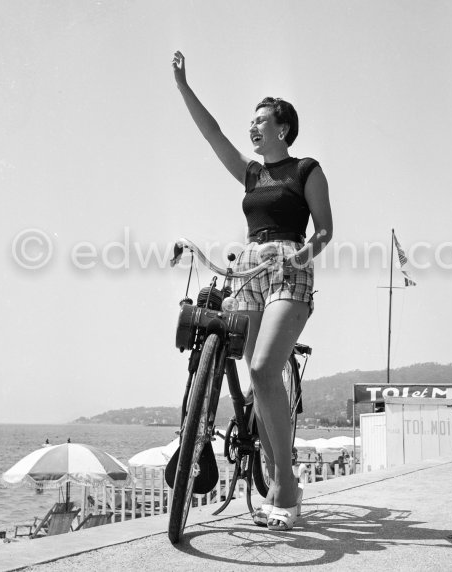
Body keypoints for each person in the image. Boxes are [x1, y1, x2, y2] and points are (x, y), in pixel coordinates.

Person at [172, 51, 333, 531]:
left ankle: (285, 481)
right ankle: (263, 456)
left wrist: (298, 257)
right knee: (255, 378)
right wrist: (183, 86)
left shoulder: (306, 170)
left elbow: (323, 232)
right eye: (252, 121)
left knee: (263, 369)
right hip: (248, 271)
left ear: (282, 128)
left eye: (260, 120)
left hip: (289, 269)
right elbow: (213, 133)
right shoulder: (251, 173)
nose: (252, 127)